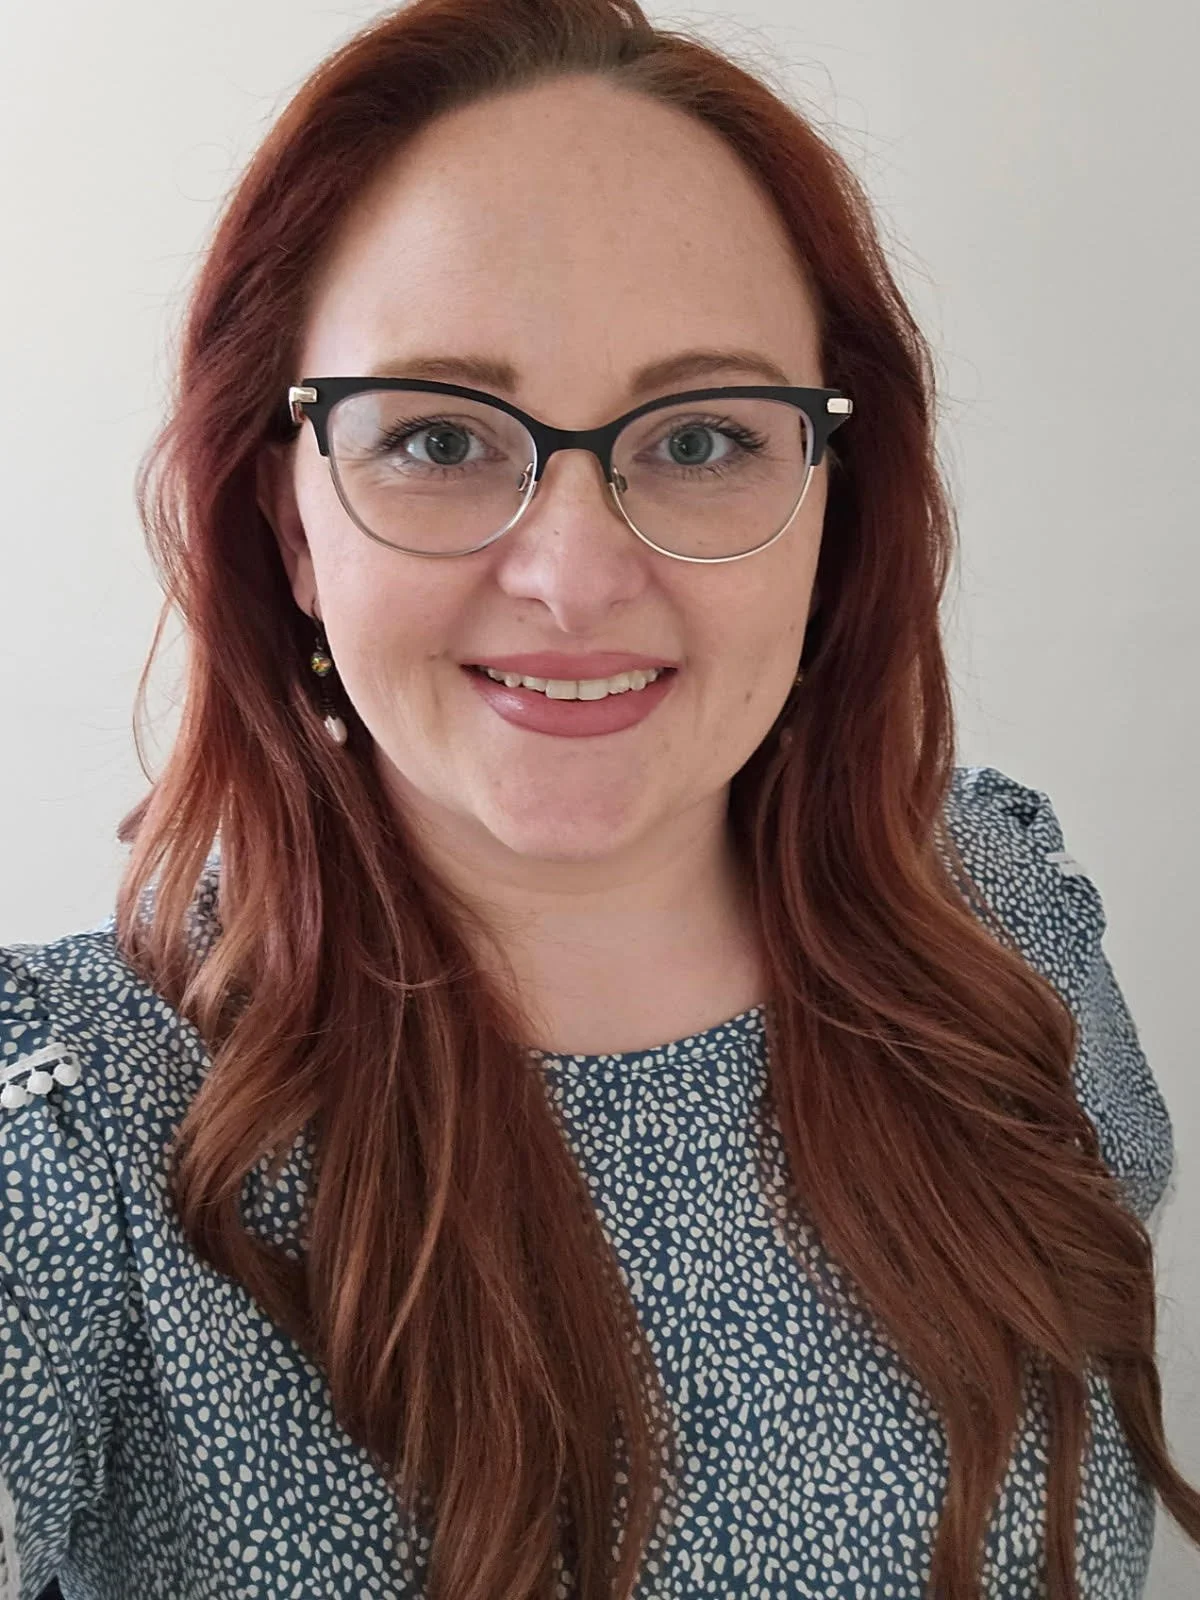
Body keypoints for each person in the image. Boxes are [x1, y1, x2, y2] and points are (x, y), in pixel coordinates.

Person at [3, 0, 1199, 1596]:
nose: (573, 576)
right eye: (439, 437)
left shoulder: (1009, 936)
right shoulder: (76, 1138)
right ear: (290, 527)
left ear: (833, 507)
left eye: (701, 438)